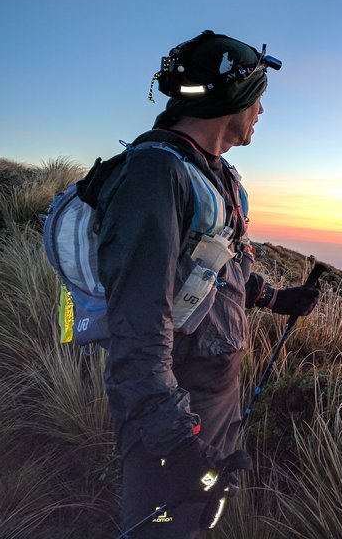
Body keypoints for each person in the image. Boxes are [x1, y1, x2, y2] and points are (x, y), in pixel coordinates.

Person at [92, 30, 319, 537]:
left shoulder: (215, 174)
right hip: (174, 407)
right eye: (257, 97)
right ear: (231, 98)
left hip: (212, 397)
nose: (261, 110)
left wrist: (277, 299)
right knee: (165, 525)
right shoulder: (155, 175)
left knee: (201, 522)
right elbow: (137, 324)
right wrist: (177, 441)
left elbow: (216, 270)